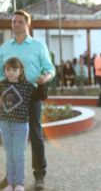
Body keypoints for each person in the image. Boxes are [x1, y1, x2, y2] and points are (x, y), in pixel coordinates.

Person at [0, 10, 55, 190]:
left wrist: (46, 77)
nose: (15, 24)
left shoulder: (39, 46)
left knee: (36, 134)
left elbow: (50, 69)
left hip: (31, 95)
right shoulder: (4, 48)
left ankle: (39, 174)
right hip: (9, 98)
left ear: (27, 24)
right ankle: (11, 177)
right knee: (9, 136)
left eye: (19, 21)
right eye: (13, 21)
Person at [0, 58, 37, 191]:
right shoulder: (2, 84)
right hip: (4, 125)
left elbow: (40, 96)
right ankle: (10, 183)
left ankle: (19, 184)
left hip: (20, 126)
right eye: (8, 69)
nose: (11, 72)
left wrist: (44, 81)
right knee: (9, 154)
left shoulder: (27, 86)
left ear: (20, 71)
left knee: (19, 155)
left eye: (14, 69)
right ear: (4, 70)